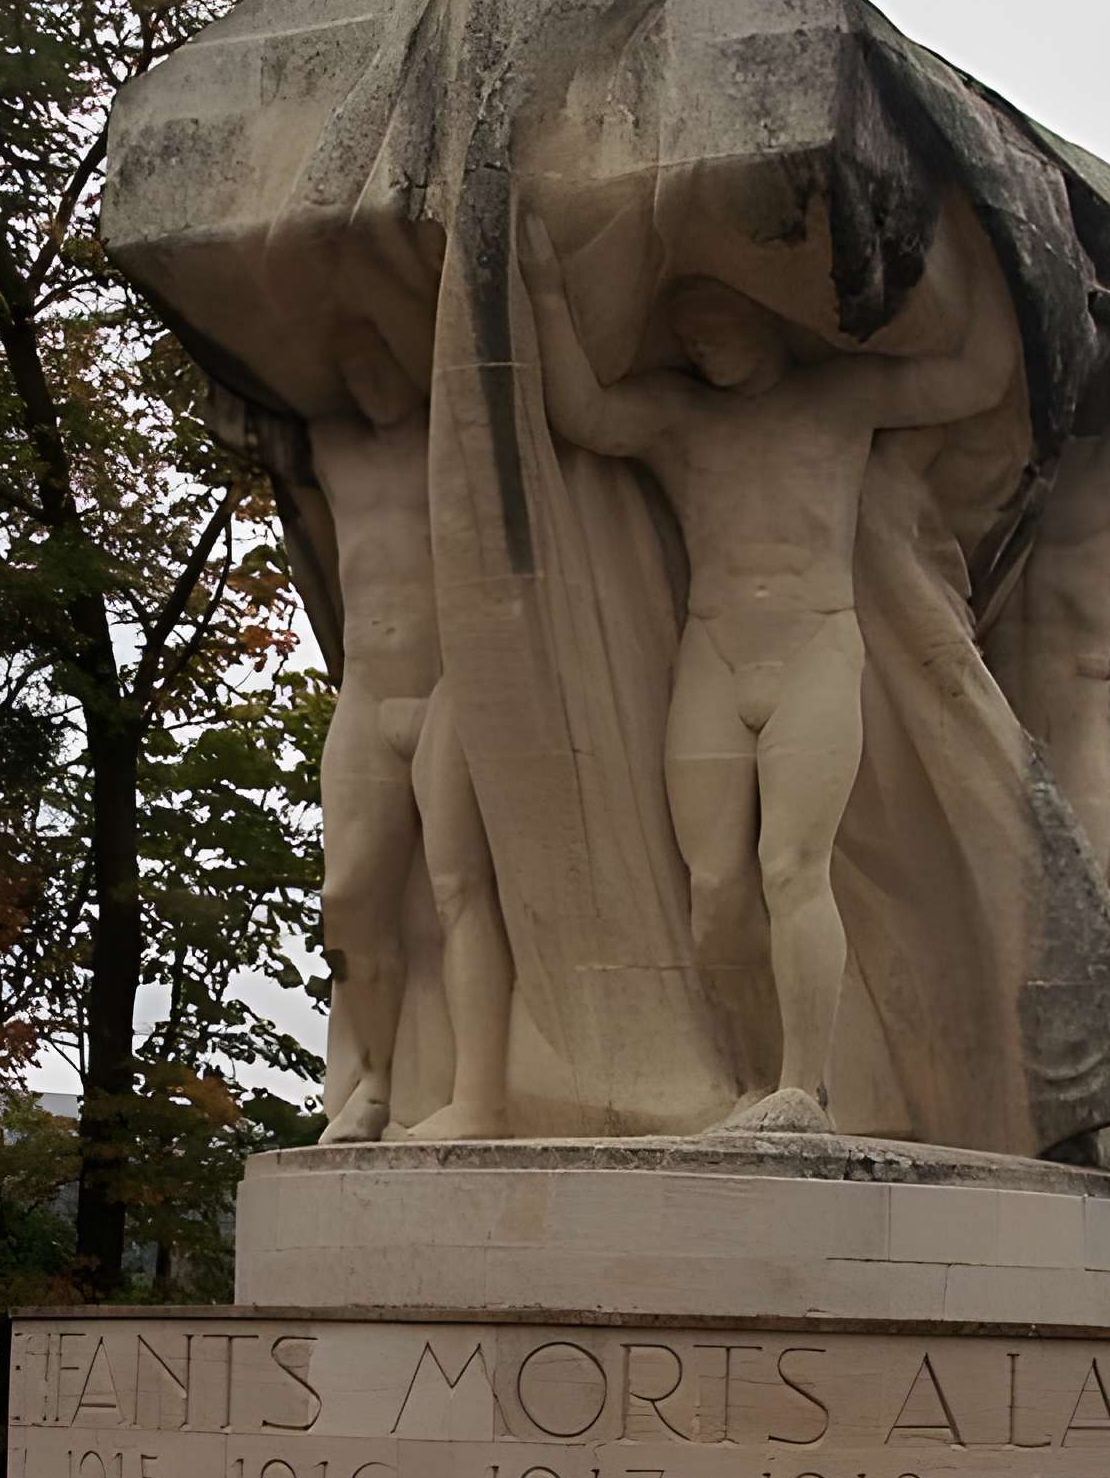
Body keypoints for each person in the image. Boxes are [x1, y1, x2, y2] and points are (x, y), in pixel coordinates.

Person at [519, 207, 1017, 1131]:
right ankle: (750, 1079)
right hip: (713, 655)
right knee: (714, 894)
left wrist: (990, 238)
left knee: (792, 868)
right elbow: (581, 411)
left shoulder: (841, 399)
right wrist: (544, 288)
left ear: (762, 321)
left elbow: (978, 376)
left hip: (815, 650)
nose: (702, 347)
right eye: (688, 338)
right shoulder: (680, 420)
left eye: (716, 328)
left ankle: (803, 1086)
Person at [311, 321, 511, 1142]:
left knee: (458, 892)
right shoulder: (329, 446)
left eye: (379, 354)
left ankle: (479, 1094)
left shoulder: (458, 444)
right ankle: (377, 1080)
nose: (365, 376)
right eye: (348, 362)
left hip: (445, 688)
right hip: (367, 693)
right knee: (347, 900)